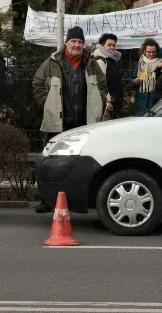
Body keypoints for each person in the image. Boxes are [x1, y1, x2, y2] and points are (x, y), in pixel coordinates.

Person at [31, 26, 107, 213]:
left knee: (81, 162)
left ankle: (79, 199)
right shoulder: (52, 62)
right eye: (73, 41)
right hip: (58, 121)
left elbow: (103, 85)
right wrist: (46, 104)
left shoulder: (90, 62)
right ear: (67, 42)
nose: (77, 45)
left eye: (80, 42)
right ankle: (46, 200)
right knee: (52, 161)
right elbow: (37, 83)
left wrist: (100, 102)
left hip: (84, 121)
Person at [92, 33, 124, 119]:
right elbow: (100, 82)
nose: (112, 47)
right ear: (102, 45)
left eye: (113, 45)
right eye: (109, 45)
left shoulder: (112, 60)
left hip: (115, 102)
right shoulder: (101, 60)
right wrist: (107, 101)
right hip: (107, 104)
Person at [132, 39, 161, 116]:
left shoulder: (161, 63)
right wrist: (135, 81)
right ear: (144, 51)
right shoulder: (140, 63)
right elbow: (132, 79)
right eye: (149, 52)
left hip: (154, 99)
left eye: (153, 52)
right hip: (141, 100)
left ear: (156, 51)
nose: (151, 54)